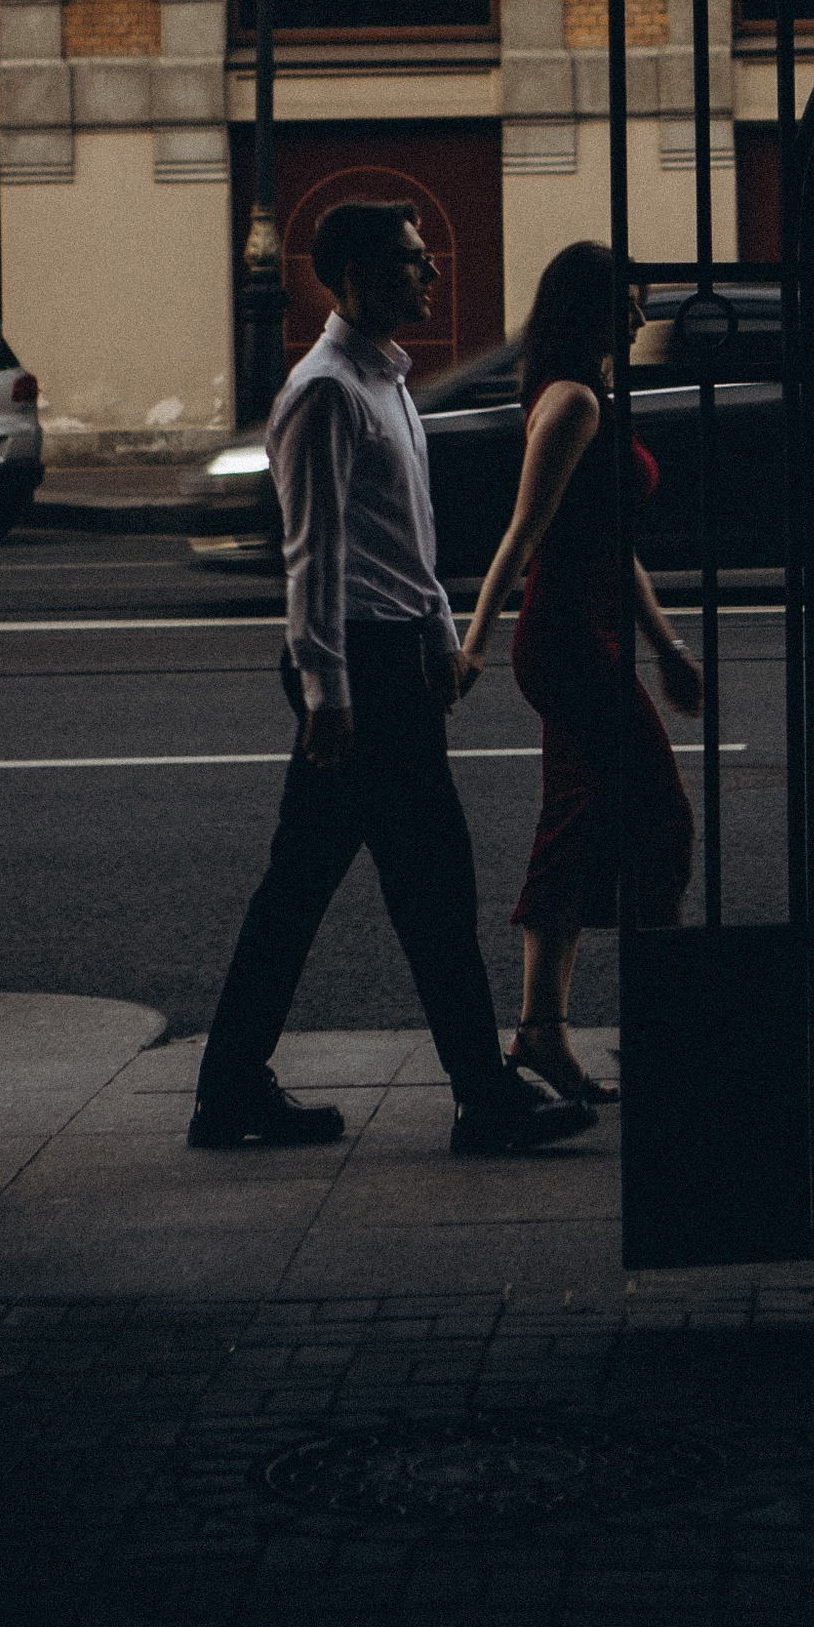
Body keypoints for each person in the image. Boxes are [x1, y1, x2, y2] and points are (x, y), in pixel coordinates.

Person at [189, 200, 590, 1157]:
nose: (431, 274)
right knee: (434, 884)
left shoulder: (387, 382)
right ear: (358, 277)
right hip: (361, 673)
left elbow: (405, 540)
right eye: (412, 262)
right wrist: (328, 694)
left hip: (393, 658)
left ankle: (230, 1089)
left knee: (300, 888)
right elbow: (314, 555)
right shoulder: (325, 392)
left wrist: (441, 637)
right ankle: (485, 1100)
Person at [460, 241, 699, 1105]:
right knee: (662, 820)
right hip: (565, 641)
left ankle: (541, 1033)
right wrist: (474, 643)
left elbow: (612, 542)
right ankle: (659, 1024)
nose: (641, 316)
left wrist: (666, 647)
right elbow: (523, 535)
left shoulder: (589, 397)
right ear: (589, 308)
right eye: (628, 302)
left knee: (574, 825)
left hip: (588, 635)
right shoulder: (572, 404)